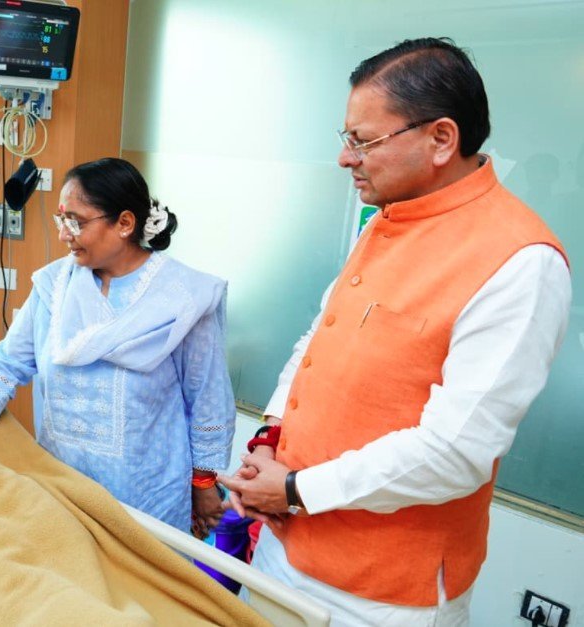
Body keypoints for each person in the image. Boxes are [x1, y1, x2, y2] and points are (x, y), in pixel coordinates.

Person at [218, 38, 571, 626]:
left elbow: (455, 453)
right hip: (287, 539)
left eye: (363, 141)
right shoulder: (387, 219)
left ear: (441, 139)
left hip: (379, 592)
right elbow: (321, 339)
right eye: (347, 139)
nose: (345, 159)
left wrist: (297, 488)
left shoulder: (520, 262)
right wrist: (269, 439)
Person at [0, 157, 236, 537]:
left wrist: (203, 487)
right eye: (61, 220)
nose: (64, 234)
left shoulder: (183, 299)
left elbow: (207, 399)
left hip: (147, 496)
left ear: (124, 223)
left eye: (77, 222)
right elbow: (4, 366)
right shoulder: (55, 288)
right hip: (64, 486)